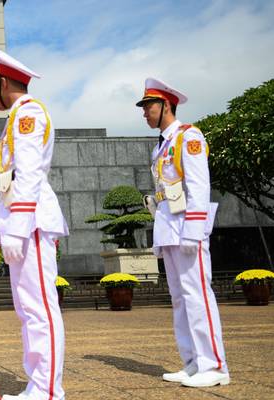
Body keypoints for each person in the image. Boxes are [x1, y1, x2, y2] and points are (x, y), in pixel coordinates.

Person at [0, 49, 69, 400]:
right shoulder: (18, 117)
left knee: (39, 308)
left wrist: (17, 227)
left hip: (31, 223)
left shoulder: (28, 113)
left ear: (3, 82)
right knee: (28, 309)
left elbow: (30, 172)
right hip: (23, 221)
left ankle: (49, 389)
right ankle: (38, 384)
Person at [138, 77, 229, 387]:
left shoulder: (188, 137)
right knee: (179, 298)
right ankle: (192, 362)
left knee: (198, 295)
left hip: (187, 227)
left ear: (166, 105)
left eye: (149, 105)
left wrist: (194, 231)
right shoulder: (162, 146)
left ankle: (214, 365)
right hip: (169, 226)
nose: (145, 112)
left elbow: (199, 186)